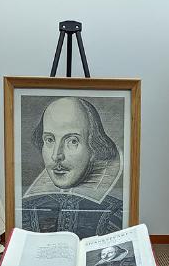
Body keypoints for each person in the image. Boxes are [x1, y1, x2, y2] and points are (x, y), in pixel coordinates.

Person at [21, 97, 124, 239]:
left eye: (73, 141)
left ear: (94, 147)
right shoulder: (24, 209)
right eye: (49, 139)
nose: (56, 155)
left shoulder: (116, 212)